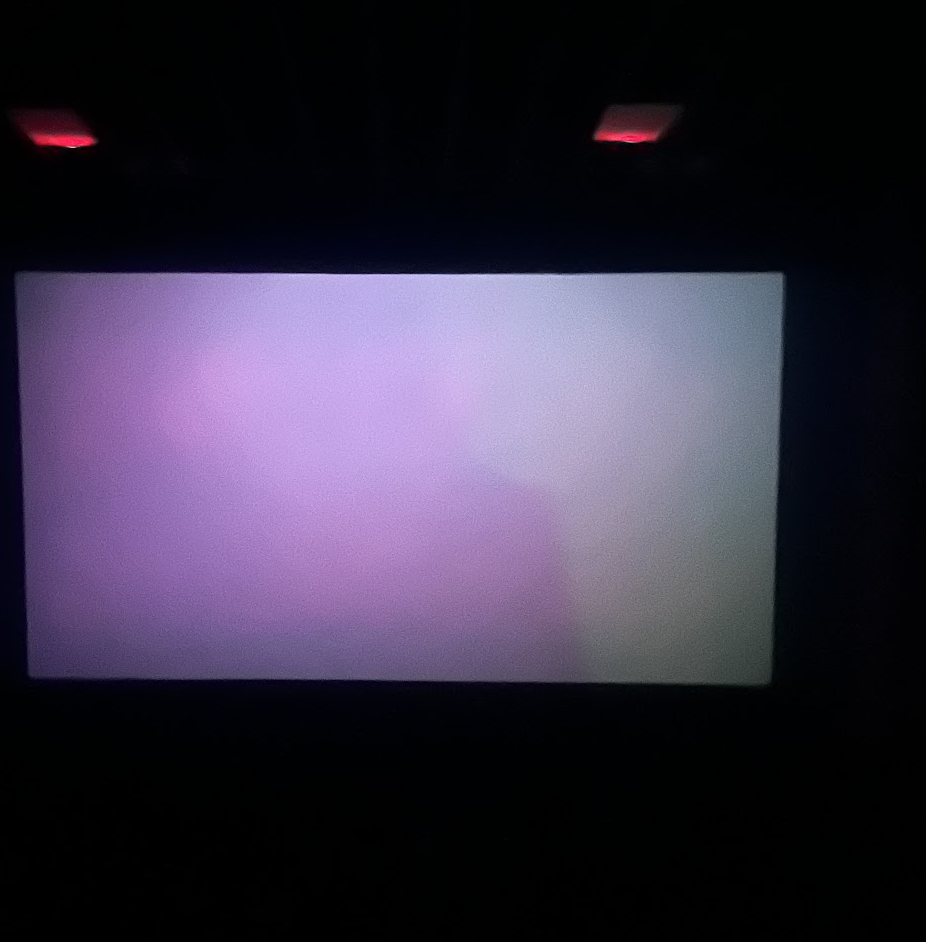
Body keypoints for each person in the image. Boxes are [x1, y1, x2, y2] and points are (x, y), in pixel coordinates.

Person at [44, 292, 587, 682]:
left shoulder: (511, 524)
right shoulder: (204, 522)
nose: (361, 397)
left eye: (394, 381)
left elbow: (552, 682)